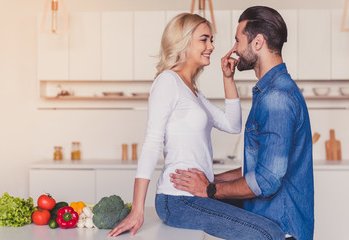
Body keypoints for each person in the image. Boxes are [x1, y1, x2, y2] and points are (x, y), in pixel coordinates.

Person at [107, 12, 285, 239]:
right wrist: (137, 209)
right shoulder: (167, 82)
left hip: (198, 195)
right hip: (177, 199)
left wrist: (228, 79)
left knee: (271, 220)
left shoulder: (193, 92)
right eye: (204, 39)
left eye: (211, 40)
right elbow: (152, 144)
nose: (211, 46)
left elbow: (232, 125)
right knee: (268, 233)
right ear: (183, 41)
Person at [170, 6, 314, 240]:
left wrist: (209, 189)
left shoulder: (276, 98)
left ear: (258, 43)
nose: (234, 48)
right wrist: (214, 180)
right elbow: (260, 167)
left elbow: (266, 179)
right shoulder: (272, 90)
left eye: (238, 41)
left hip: (281, 229)